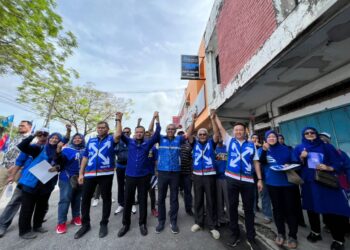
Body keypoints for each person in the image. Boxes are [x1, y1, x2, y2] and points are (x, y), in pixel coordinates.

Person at [294, 127, 350, 250]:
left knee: (332, 210)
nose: (310, 134)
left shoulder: (327, 147)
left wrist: (328, 167)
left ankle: (338, 240)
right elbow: (295, 165)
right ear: (303, 135)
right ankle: (315, 232)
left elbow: (339, 163)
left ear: (316, 134)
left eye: (312, 132)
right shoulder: (299, 148)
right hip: (309, 184)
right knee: (311, 209)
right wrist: (301, 158)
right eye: (306, 133)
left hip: (326, 183)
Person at [214, 115, 263, 250]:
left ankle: (251, 237)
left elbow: (256, 162)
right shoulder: (229, 141)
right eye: (236, 130)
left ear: (245, 131)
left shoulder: (251, 145)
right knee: (232, 208)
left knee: (249, 210)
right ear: (233, 132)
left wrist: (259, 179)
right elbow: (221, 128)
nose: (238, 132)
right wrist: (215, 117)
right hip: (232, 179)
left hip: (248, 181)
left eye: (240, 130)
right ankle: (234, 234)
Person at [116, 111, 160, 237]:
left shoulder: (148, 143)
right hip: (130, 176)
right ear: (134, 134)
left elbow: (156, 134)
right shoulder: (129, 142)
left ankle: (142, 223)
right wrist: (119, 120)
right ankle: (125, 224)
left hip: (144, 177)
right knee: (128, 200)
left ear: (144, 134)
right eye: (137, 132)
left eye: (141, 132)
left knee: (142, 200)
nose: (139, 133)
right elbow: (119, 134)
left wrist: (157, 119)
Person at [17, 129, 66, 239]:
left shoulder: (61, 153)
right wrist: (33, 135)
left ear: (60, 142)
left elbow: (62, 165)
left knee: (41, 206)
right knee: (27, 208)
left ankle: (37, 226)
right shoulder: (38, 148)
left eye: (57, 139)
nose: (54, 140)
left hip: (47, 184)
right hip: (31, 182)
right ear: (48, 139)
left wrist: (57, 167)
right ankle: (24, 231)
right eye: (52, 137)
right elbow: (22, 146)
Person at [74, 121, 118, 239]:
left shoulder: (111, 139)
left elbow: (118, 134)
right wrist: (81, 174)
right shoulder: (91, 140)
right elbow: (85, 157)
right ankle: (85, 224)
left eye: (103, 128)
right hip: (89, 174)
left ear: (107, 129)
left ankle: (104, 224)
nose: (100, 129)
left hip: (106, 174)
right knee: (85, 199)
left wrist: (118, 119)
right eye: (99, 128)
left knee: (106, 199)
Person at [0, 132, 47, 238]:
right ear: (37, 136)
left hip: (41, 182)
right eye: (40, 135)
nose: (43, 137)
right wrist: (12, 175)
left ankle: (37, 223)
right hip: (26, 180)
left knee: (39, 204)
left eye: (45, 135)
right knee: (15, 201)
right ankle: (2, 225)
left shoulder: (49, 150)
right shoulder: (30, 148)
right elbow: (19, 162)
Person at [259, 130, 299, 249]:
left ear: (277, 138)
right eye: (269, 137)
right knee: (277, 209)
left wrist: (288, 164)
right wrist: (265, 151)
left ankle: (293, 235)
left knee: (290, 210)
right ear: (266, 139)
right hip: (272, 183)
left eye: (273, 136)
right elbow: (261, 162)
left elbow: (295, 161)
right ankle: (280, 233)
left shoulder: (286, 149)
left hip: (288, 183)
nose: (271, 138)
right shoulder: (263, 150)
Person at [153, 118, 192, 234]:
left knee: (174, 199)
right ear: (166, 130)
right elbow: (155, 131)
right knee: (161, 198)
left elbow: (189, 133)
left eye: (172, 129)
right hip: (163, 172)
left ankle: (173, 222)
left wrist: (193, 120)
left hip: (175, 173)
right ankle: (161, 221)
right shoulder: (160, 138)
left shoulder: (179, 139)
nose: (170, 130)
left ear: (175, 131)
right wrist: (157, 119)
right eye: (168, 129)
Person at [188, 111, 220, 240]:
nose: (202, 135)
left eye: (204, 134)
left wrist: (213, 119)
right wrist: (193, 121)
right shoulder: (193, 143)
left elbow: (217, 134)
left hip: (209, 175)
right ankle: (198, 222)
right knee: (198, 200)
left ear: (207, 135)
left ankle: (212, 226)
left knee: (211, 200)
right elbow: (189, 134)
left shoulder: (211, 143)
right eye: (200, 134)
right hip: (197, 176)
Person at [56, 133, 85, 234]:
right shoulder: (67, 149)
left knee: (77, 198)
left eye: (79, 138)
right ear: (72, 140)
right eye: (75, 138)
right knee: (65, 199)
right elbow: (59, 159)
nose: (77, 140)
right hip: (66, 177)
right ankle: (61, 222)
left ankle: (76, 217)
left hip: (81, 178)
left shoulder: (85, 150)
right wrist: (59, 149)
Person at [0, 120, 32, 195]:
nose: (20, 127)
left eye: (23, 126)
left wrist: (17, 167)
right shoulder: (17, 136)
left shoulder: (32, 139)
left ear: (30, 127)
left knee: (19, 193)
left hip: (18, 169)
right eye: (19, 125)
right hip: (4, 166)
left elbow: (29, 157)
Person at [114, 127, 135, 215]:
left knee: (130, 186)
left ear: (130, 133)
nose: (126, 133)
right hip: (120, 166)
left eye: (128, 132)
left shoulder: (133, 141)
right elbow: (114, 151)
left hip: (130, 166)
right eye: (124, 132)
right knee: (121, 185)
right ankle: (121, 204)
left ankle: (132, 203)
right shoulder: (118, 142)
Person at [178, 130, 193, 216]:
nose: (181, 137)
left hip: (187, 173)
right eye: (179, 135)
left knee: (188, 192)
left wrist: (191, 172)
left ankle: (189, 209)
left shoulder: (189, 146)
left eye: (182, 135)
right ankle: (173, 209)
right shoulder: (175, 145)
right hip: (176, 174)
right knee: (174, 193)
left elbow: (192, 159)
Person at [215, 137, 230, 226]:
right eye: (218, 137)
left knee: (228, 199)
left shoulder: (227, 148)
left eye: (221, 137)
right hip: (216, 178)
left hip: (226, 178)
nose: (220, 138)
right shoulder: (213, 148)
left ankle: (230, 218)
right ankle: (220, 218)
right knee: (219, 200)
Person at [144, 130, 159, 217]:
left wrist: (156, 171)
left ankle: (153, 209)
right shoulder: (140, 146)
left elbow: (156, 160)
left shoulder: (154, 148)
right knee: (142, 193)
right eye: (145, 135)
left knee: (152, 192)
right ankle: (143, 210)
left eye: (148, 135)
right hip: (141, 174)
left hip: (151, 173)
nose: (147, 136)